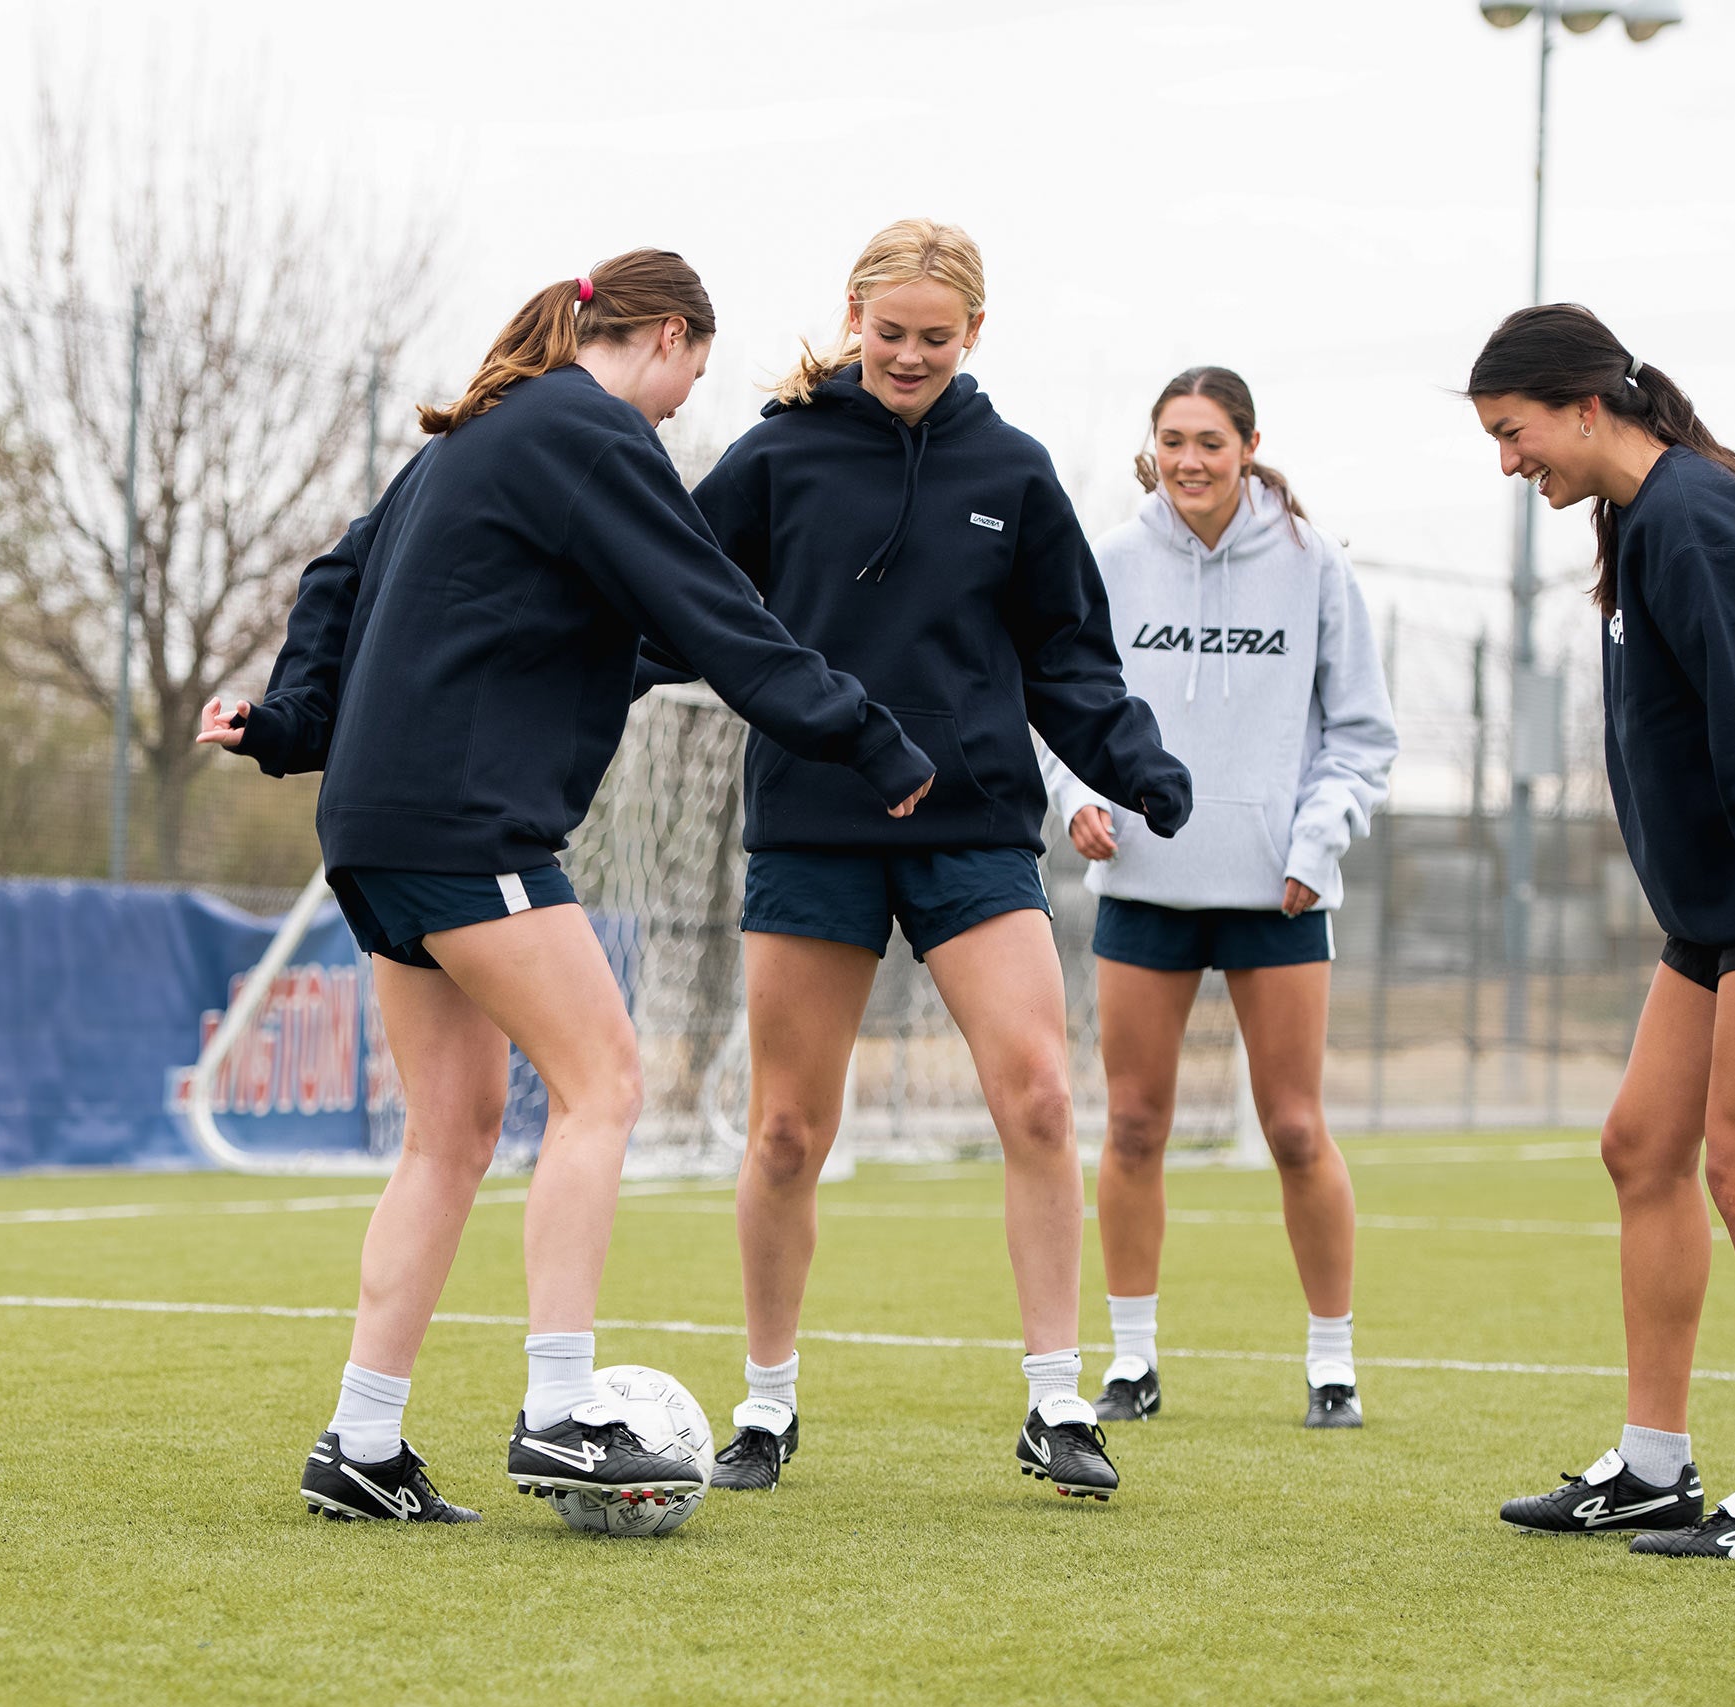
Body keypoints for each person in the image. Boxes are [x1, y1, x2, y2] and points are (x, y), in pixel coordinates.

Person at [202, 249, 935, 1525]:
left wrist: (286, 723)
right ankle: (559, 1415)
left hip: (375, 826)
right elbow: (717, 612)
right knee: (606, 1083)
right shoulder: (591, 432)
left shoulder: (470, 440)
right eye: (685, 384)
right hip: (463, 824)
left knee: (452, 1133)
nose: (674, 414)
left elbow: (338, 579)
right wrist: (865, 734)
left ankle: (360, 1441)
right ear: (661, 339)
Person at [655, 219, 1192, 1503]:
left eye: (933, 338)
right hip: (814, 826)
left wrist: (1137, 760)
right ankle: (767, 1406)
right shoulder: (776, 457)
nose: (907, 355)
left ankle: (1057, 1402)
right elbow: (679, 602)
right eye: (888, 333)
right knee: (786, 1130)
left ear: (974, 335)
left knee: (1042, 1101)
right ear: (852, 317)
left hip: (971, 830)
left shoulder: (1013, 469)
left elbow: (1069, 658)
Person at [1472, 304, 1735, 1561]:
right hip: (1718, 912)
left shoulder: (1697, 517)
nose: (1510, 464)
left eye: (1515, 435)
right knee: (1639, 1147)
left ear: (1585, 406)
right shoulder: (1637, 517)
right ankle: (1655, 1467)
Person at [1038, 366, 1397, 1431]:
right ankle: (1133, 1360)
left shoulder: (1313, 565)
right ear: (1154, 451)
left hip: (1276, 896)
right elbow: (1058, 698)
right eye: (1172, 441)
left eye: (1210, 440)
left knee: (1293, 1128)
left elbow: (1363, 734)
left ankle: (1332, 1364)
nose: (1190, 460)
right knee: (1136, 1124)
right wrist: (1077, 794)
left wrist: (1316, 840)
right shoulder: (1108, 559)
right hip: (1147, 885)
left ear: (1247, 445)